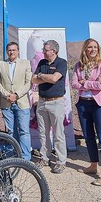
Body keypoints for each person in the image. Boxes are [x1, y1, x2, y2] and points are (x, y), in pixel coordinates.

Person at [71, 38, 101, 186]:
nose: (92, 49)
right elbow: (74, 84)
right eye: (90, 47)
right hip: (83, 104)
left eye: (95, 47)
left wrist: (85, 83)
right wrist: (87, 85)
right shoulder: (79, 65)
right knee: (89, 136)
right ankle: (93, 165)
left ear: (98, 49)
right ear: (85, 49)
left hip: (99, 105)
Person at [32, 40, 68, 174]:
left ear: (54, 50)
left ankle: (61, 161)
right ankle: (44, 158)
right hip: (42, 102)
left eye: (46, 49)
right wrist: (44, 77)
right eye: (43, 49)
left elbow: (54, 79)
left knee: (58, 133)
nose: (43, 51)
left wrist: (42, 76)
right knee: (43, 132)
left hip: (56, 102)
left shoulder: (61, 63)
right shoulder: (41, 63)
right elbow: (34, 79)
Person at [0, 42, 32, 161]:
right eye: (9, 50)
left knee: (24, 131)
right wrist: (7, 95)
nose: (11, 52)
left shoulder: (26, 63)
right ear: (6, 51)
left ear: (18, 51)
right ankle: (13, 155)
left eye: (14, 50)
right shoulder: (1, 64)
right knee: (11, 131)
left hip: (22, 102)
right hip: (6, 102)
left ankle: (25, 158)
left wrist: (17, 95)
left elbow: (29, 82)